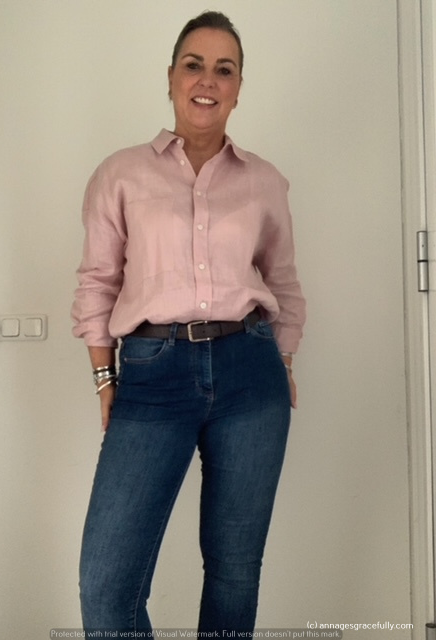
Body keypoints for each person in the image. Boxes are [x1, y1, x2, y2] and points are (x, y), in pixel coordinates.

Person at [71, 10, 306, 635]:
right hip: (153, 372)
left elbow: (282, 281)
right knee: (106, 584)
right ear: (172, 76)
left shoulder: (264, 182)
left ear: (238, 88)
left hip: (250, 372)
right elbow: (97, 281)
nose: (208, 80)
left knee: (234, 570)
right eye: (194, 65)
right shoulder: (121, 174)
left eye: (224, 70)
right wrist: (104, 377)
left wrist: (283, 360)